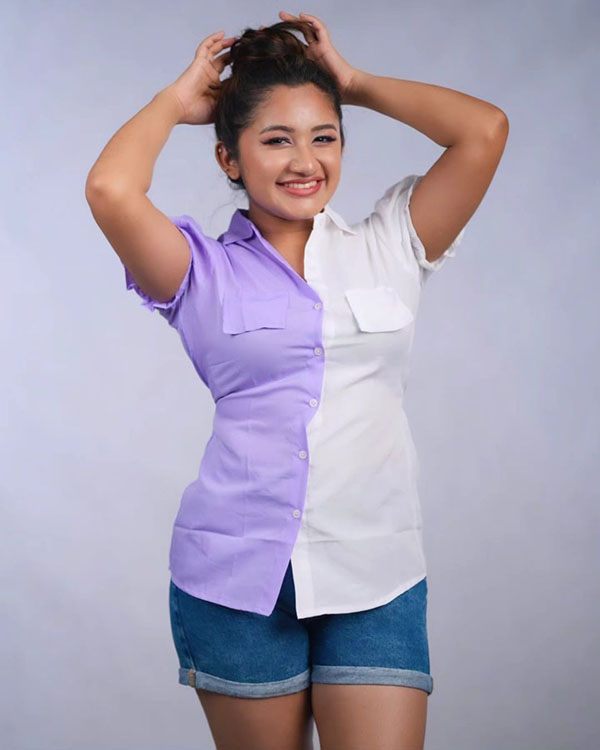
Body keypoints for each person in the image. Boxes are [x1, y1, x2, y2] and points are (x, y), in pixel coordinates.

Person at [85, 11, 508, 750]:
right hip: (234, 583)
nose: (304, 160)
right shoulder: (198, 271)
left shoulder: (392, 242)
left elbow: (485, 130)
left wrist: (355, 83)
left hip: (374, 574)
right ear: (229, 157)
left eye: (324, 136)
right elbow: (111, 189)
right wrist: (175, 101)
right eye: (276, 139)